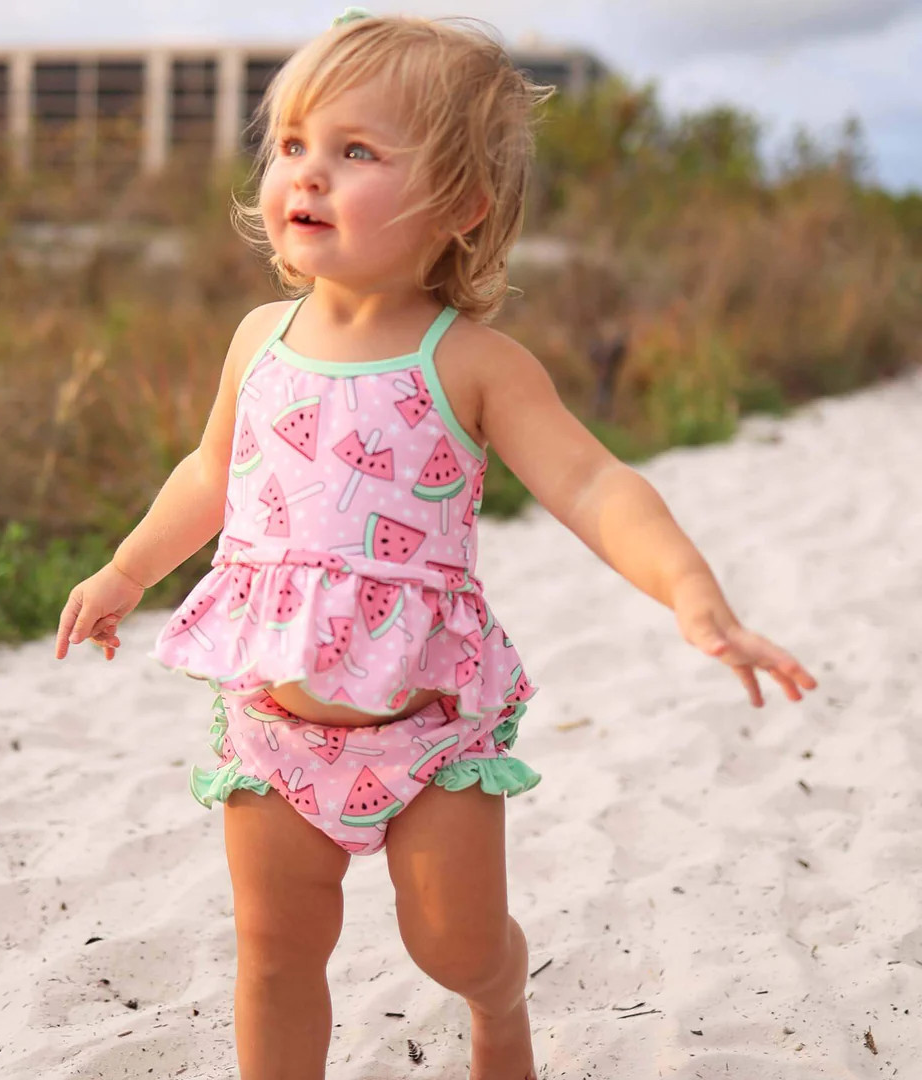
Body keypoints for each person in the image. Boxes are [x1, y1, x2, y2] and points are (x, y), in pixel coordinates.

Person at [54, 9, 818, 1079]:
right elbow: (210, 475)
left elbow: (595, 484)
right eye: (293, 145)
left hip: (426, 730)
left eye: (355, 152)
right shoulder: (256, 342)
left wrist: (693, 594)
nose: (307, 176)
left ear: (458, 206)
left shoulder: (470, 362)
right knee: (276, 955)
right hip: (274, 722)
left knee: (452, 944)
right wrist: (127, 569)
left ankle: (498, 1007)